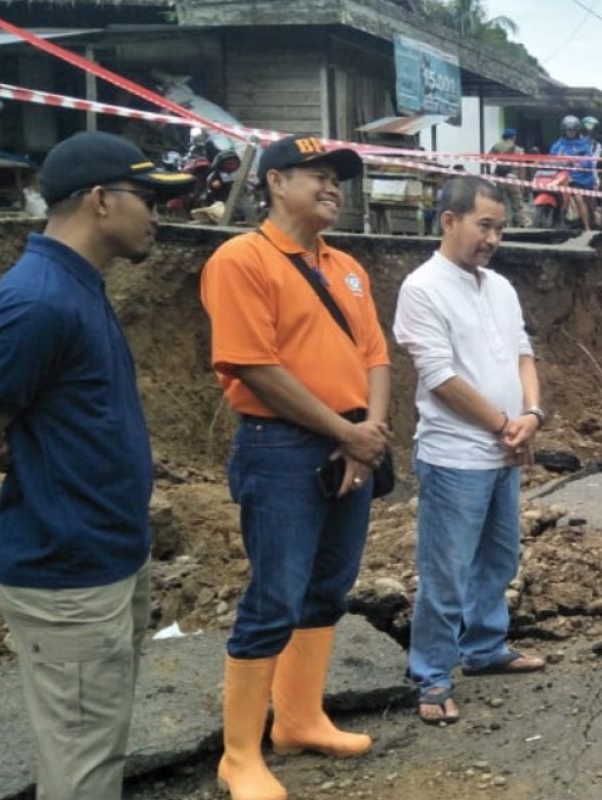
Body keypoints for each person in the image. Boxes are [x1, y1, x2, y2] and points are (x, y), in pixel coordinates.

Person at [0, 131, 193, 799]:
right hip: (67, 573)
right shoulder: (37, 301)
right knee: (83, 766)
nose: (158, 212)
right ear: (100, 200)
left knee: (93, 750)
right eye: (147, 197)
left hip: (105, 559)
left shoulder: (75, 285)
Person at [200, 135, 391, 800]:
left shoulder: (347, 268)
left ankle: (301, 719)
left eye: (339, 177)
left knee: (328, 587)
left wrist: (367, 431)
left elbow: (376, 355)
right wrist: (346, 431)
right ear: (275, 182)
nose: (333, 186)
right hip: (280, 446)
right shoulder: (241, 260)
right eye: (318, 174)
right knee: (273, 595)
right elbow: (253, 364)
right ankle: (239, 755)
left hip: (350, 441)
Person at [393, 175, 546, 725]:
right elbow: (439, 378)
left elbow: (524, 354)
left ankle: (484, 648)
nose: (493, 239)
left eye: (500, 229)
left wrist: (531, 415)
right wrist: (507, 423)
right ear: (449, 221)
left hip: (505, 451)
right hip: (455, 456)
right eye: (485, 226)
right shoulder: (422, 288)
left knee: (499, 559)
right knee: (447, 571)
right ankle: (432, 675)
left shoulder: (499, 287)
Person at [549, 114, 597, 230]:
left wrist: (578, 164)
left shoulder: (583, 144)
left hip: (579, 179)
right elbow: (551, 159)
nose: (570, 132)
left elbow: (587, 161)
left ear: (577, 131)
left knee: (580, 199)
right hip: (561, 178)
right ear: (564, 131)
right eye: (568, 130)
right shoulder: (558, 145)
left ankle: (587, 228)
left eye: (573, 130)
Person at [488, 127, 525, 226]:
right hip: (513, 177)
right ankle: (520, 223)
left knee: (504, 202)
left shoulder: (496, 146)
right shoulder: (518, 150)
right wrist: (522, 182)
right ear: (514, 137)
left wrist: (489, 173)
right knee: (517, 202)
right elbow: (522, 167)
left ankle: (505, 224)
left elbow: (487, 159)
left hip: (500, 178)